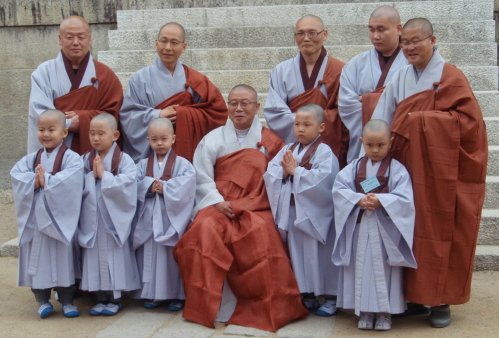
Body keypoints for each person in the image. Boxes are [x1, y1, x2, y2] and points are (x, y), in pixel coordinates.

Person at [371, 18, 488, 328]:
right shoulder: (400, 76)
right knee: (407, 230)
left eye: (416, 41)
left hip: (441, 174)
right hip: (406, 170)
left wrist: (419, 121)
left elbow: (471, 127)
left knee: (438, 231)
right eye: (405, 42)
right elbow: (382, 120)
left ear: (432, 40)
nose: (409, 48)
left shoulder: (451, 77)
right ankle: (411, 298)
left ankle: (440, 301)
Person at [173, 85, 308, 332]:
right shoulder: (212, 139)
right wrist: (217, 201)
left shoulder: (271, 142)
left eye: (245, 103)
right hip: (217, 203)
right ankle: (213, 307)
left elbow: (275, 182)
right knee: (202, 229)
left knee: (262, 234)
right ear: (227, 106)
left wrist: (245, 204)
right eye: (234, 103)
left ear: (257, 107)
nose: (239, 108)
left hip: (256, 205)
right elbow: (201, 177)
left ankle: (261, 306)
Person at [332, 119, 416, 331]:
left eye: (381, 145)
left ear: (391, 142)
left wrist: (382, 201)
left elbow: (405, 198)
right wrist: (357, 200)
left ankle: (385, 314)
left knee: (384, 270)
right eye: (370, 145)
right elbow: (339, 189)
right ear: (362, 142)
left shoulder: (397, 169)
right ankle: (365, 312)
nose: (375, 150)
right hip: (360, 227)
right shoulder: (353, 168)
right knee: (361, 268)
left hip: (384, 230)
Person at [264, 104, 340, 317]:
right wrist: (285, 173)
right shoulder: (288, 148)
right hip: (292, 212)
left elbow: (325, 180)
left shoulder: (325, 151)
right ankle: (308, 295)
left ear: (321, 127)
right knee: (298, 254)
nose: (301, 129)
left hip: (315, 213)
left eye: (307, 124)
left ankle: (331, 297)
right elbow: (271, 172)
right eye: (297, 124)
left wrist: (295, 171)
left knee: (320, 255)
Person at [11, 109, 84, 319]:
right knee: (40, 260)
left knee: (65, 260)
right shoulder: (32, 158)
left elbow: (73, 180)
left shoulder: (72, 158)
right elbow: (16, 175)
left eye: (52, 129)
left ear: (64, 132)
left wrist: (48, 182)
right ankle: (42, 300)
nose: (46, 134)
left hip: (60, 221)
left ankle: (67, 300)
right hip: (37, 221)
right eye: (41, 129)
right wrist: (33, 181)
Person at [120, 22, 228, 163]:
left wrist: (185, 115)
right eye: (163, 41)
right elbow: (128, 117)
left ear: (184, 47)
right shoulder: (139, 79)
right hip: (151, 152)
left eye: (174, 42)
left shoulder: (195, 80)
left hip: (184, 151)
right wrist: (157, 115)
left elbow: (216, 113)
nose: (168, 47)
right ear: (156, 43)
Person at [28, 16, 123, 155]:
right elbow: (39, 113)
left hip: (93, 152)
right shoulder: (43, 73)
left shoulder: (105, 75)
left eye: (81, 37)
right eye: (69, 37)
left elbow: (113, 114)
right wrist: (67, 124)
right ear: (60, 39)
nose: (76, 42)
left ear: (89, 39)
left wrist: (83, 120)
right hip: (54, 150)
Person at [264, 15, 348, 167]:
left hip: (327, 147)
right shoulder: (281, 71)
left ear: (325, 34)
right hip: (294, 146)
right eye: (300, 34)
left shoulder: (341, 70)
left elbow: (346, 112)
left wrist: (310, 124)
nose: (306, 38)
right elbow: (275, 112)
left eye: (312, 33)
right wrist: (305, 126)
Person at [79, 113, 140, 316]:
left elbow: (129, 184)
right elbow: (74, 186)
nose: (95, 138)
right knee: (95, 258)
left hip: (114, 220)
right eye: (92, 133)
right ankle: (100, 298)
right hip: (93, 220)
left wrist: (104, 177)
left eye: (101, 134)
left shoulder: (124, 160)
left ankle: (115, 299)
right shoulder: (85, 159)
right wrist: (91, 177)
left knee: (115, 258)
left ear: (115, 135)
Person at [132, 117, 196, 311]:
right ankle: (153, 295)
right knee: (149, 256)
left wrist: (166, 187)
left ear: (173, 139)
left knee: (170, 256)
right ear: (148, 140)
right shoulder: (142, 164)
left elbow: (188, 185)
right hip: (149, 218)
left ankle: (177, 295)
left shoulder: (183, 164)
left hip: (171, 218)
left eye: (164, 138)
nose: (159, 143)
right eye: (154, 139)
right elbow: (132, 184)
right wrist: (149, 185)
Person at [338, 5, 407, 163]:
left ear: (398, 29)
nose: (375, 36)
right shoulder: (356, 63)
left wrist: (368, 101)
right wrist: (385, 102)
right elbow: (346, 105)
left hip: (399, 140)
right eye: (371, 30)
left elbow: (413, 104)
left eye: (381, 30)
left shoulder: (411, 61)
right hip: (365, 143)